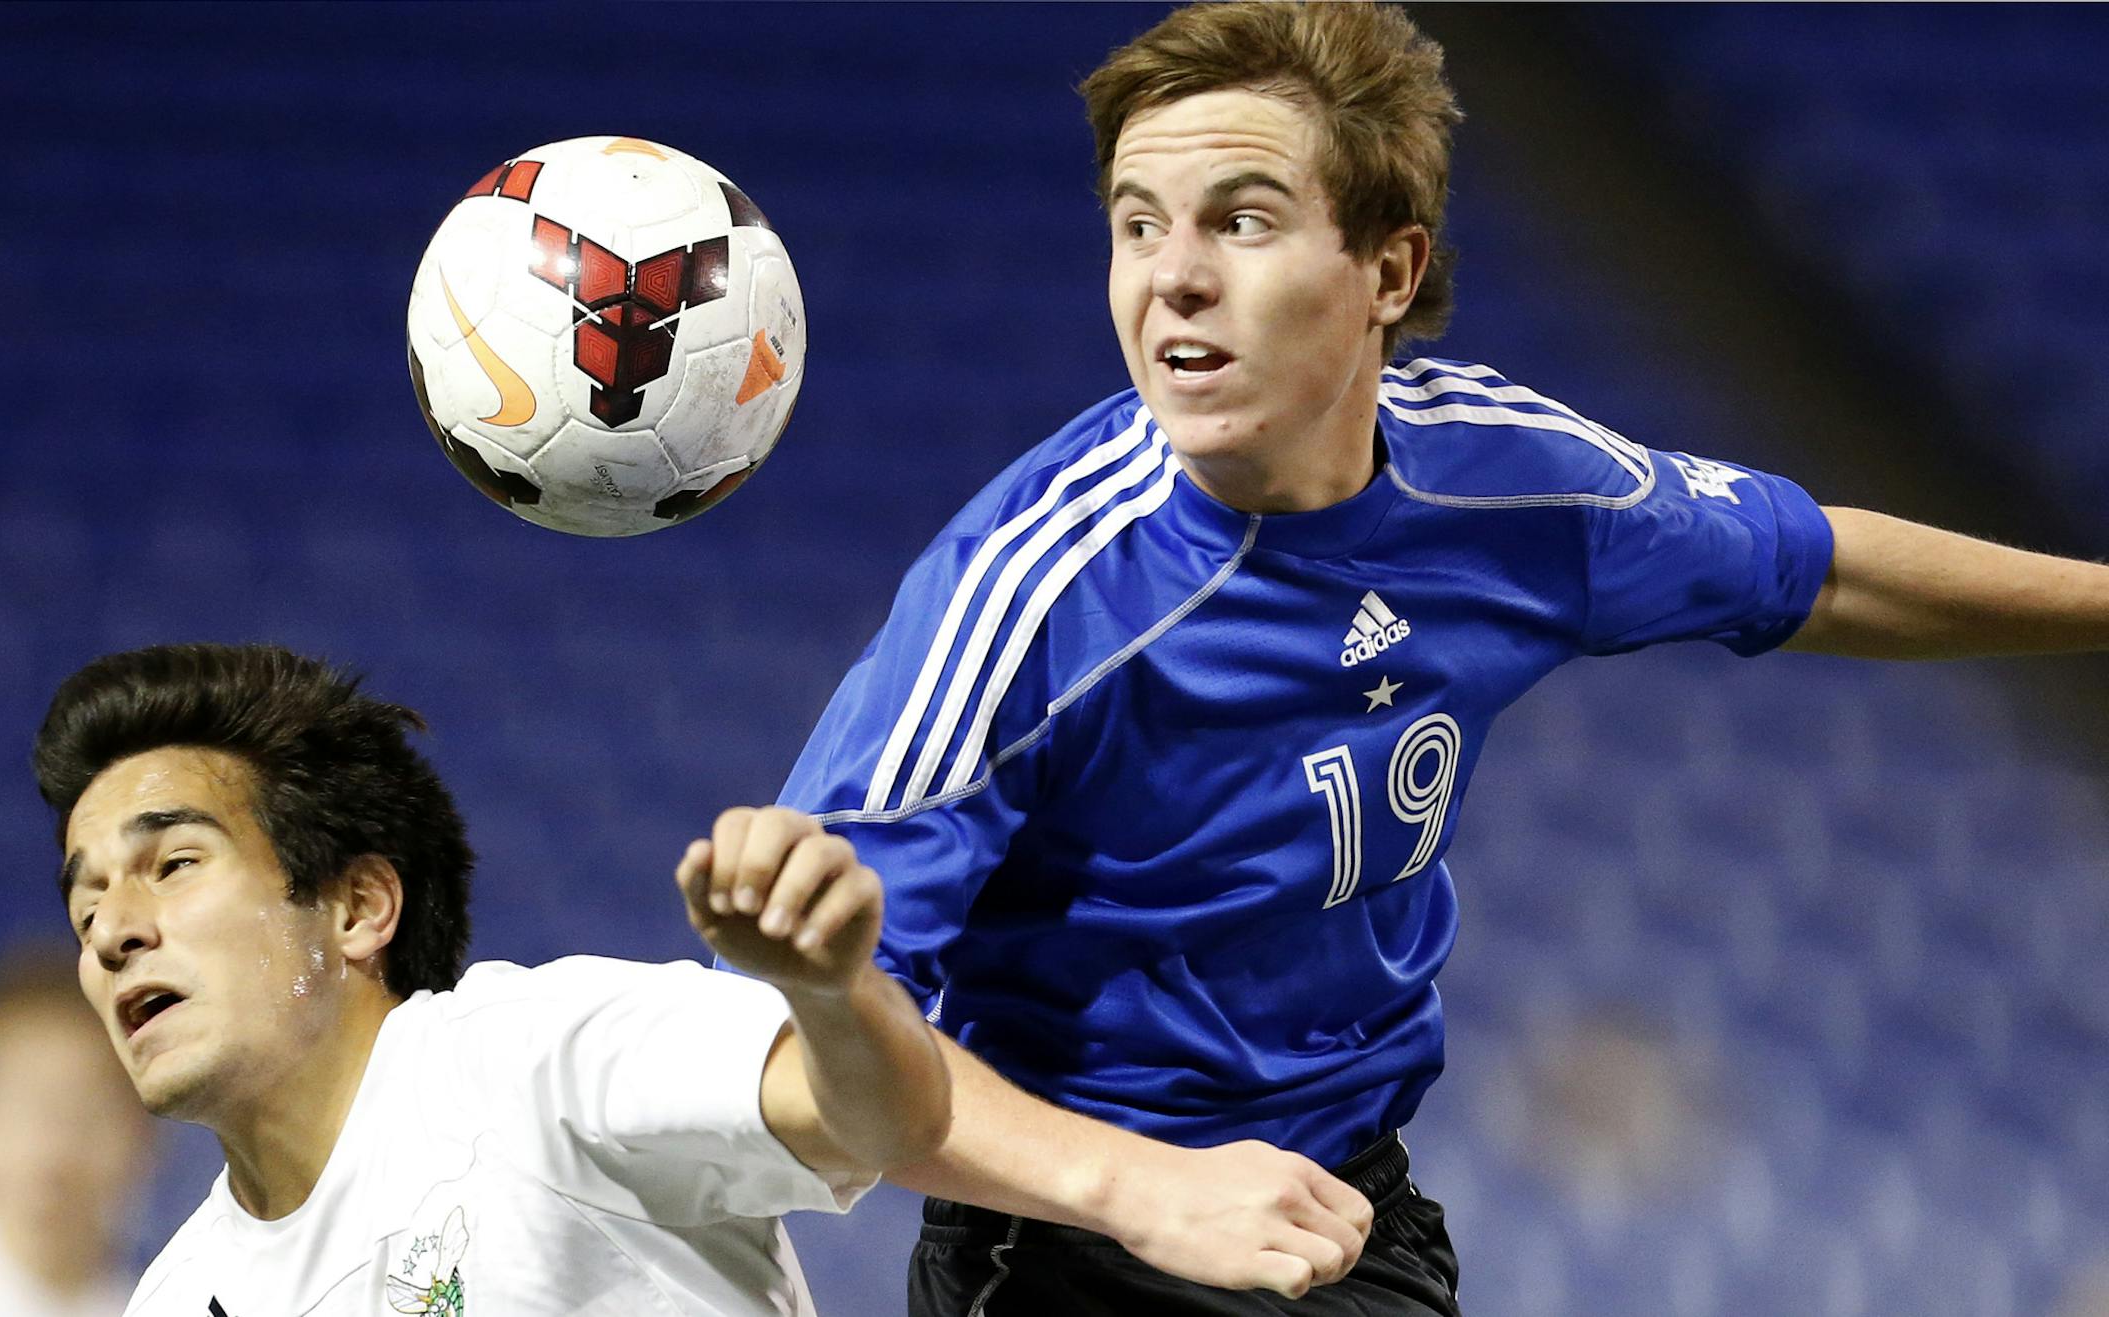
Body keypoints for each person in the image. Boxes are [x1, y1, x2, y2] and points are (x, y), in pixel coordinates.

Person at [768, 4, 2109, 1312]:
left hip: (1359, 1222)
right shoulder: (1031, 593)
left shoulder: (1500, 482)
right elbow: (781, 1057)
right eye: (1136, 223)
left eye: (1241, 219)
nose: (1172, 274)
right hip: (1077, 1246)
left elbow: (1822, 569)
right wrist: (1136, 1189)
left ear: (1390, 275)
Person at [32, 641, 949, 1316]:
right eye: (86, 910)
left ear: (356, 908)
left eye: (175, 863)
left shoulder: (534, 1058)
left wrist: (834, 994)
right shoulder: (176, 1297)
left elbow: (883, 1121)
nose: (112, 931)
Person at [0, 947, 153, 1317]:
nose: (50, 1154)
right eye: (19, 1110)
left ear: (143, 1133)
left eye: (85, 1115)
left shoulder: (168, 1299)